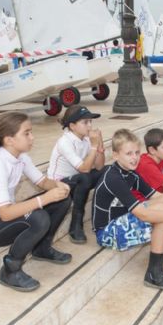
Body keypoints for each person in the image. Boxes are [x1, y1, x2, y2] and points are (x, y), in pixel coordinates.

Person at [0, 112, 72, 292]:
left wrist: (57, 185)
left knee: (62, 199)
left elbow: (42, 182)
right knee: (38, 218)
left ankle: (42, 248)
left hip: (2, 218)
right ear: (9, 140)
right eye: (27, 133)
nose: (32, 137)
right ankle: (10, 269)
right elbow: (6, 213)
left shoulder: (20, 157)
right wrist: (44, 198)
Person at [91, 129, 163, 291]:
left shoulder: (132, 173)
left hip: (123, 219)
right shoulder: (113, 177)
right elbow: (143, 215)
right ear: (115, 155)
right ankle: (154, 274)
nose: (135, 157)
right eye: (129, 153)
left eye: (137, 152)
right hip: (107, 232)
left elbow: (158, 196)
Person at [47, 105, 105, 244]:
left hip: (77, 181)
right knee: (84, 177)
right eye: (85, 122)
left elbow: (99, 166)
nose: (90, 126)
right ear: (72, 126)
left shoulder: (85, 140)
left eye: (90, 121)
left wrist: (99, 145)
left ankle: (104, 213)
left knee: (109, 170)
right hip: (58, 184)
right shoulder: (64, 142)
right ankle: (76, 224)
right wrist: (93, 146)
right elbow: (84, 169)